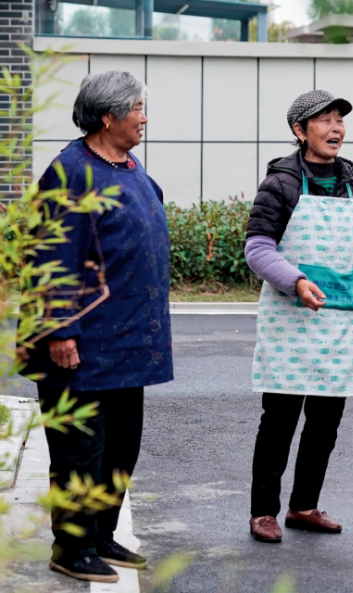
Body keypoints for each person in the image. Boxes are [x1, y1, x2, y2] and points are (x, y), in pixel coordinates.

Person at [19, 70, 171, 583]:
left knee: (121, 446)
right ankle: (72, 546)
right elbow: (50, 257)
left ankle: (102, 534)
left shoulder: (129, 166)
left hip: (128, 342)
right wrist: (59, 329)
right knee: (79, 450)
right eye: (137, 108)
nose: (144, 117)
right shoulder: (71, 173)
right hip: (81, 344)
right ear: (108, 117)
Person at [244, 90, 353, 543]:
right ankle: (263, 511)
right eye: (325, 120)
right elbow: (258, 248)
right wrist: (295, 281)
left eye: (340, 119)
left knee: (324, 424)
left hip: (339, 322)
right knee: (278, 423)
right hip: (289, 321)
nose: (336, 128)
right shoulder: (280, 184)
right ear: (300, 130)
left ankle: (303, 506)